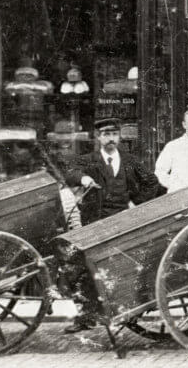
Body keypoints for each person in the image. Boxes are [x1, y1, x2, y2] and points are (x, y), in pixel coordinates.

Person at [61, 117, 160, 332]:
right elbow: (70, 172)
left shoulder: (131, 160)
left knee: (122, 267)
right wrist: (84, 179)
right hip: (95, 221)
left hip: (123, 222)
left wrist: (137, 203)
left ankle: (126, 309)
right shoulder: (88, 160)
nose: (111, 139)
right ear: (98, 137)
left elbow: (152, 182)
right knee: (87, 269)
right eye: (106, 135)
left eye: (114, 134)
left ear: (120, 137)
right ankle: (85, 317)